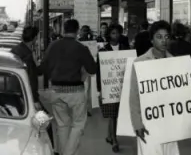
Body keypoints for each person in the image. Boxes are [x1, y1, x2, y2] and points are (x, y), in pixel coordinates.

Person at [40, 19, 97, 155]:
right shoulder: (81, 48)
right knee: (78, 124)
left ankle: (63, 152)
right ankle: (68, 153)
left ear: (63, 30)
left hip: (56, 91)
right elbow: (93, 69)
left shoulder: (53, 46)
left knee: (62, 125)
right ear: (77, 31)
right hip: (76, 92)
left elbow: (43, 68)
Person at [129, 20, 178, 155]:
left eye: (167, 37)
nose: (164, 41)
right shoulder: (140, 62)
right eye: (159, 37)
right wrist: (137, 123)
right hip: (148, 122)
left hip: (169, 121)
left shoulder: (175, 62)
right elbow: (134, 96)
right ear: (151, 40)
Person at [96, 24, 130, 153]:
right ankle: (114, 140)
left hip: (122, 85)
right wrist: (99, 89)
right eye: (113, 33)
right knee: (113, 114)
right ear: (109, 35)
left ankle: (110, 136)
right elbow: (99, 71)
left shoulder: (126, 49)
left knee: (115, 114)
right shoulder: (103, 51)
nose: (116, 35)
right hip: (109, 87)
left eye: (118, 33)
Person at [10, 26, 41, 110]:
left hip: (12, 92)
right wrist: (35, 99)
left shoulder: (14, 50)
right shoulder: (29, 55)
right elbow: (32, 79)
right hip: (25, 94)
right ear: (34, 38)